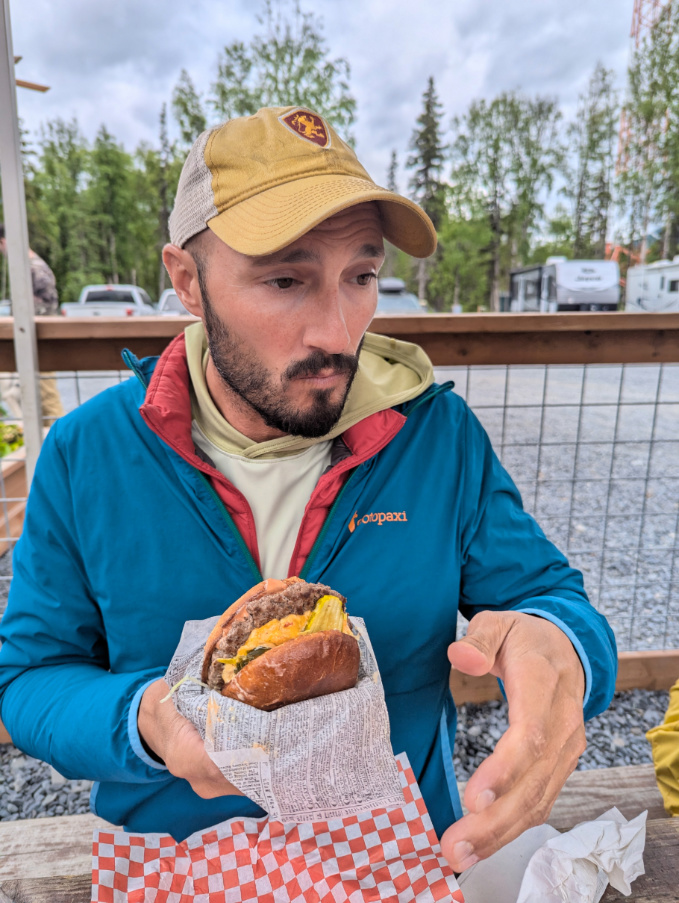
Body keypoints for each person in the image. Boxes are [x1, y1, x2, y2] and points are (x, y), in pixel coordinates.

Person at [0, 107, 617, 872]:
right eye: (286, 278)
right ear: (188, 281)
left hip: (394, 857)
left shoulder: (436, 436)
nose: (336, 330)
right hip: (177, 862)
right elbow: (31, 677)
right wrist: (142, 720)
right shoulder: (86, 452)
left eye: (360, 276)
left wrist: (560, 648)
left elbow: (553, 601)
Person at [0, 224, 65, 424]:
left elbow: (40, 310)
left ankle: (55, 438)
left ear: (4, 242)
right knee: (35, 394)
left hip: (39, 340)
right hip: (32, 339)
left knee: (46, 394)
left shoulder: (34, 269)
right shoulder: (30, 267)